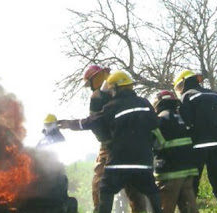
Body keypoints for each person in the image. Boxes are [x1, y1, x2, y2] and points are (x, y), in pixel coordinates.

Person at [59, 70, 162, 213]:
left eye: (112, 90)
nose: (111, 93)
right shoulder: (145, 103)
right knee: (151, 193)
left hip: (119, 162)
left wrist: (69, 124)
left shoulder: (113, 105)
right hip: (143, 163)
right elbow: (155, 124)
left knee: (105, 190)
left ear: (116, 88)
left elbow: (93, 122)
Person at [82, 65, 147, 213]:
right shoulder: (124, 91)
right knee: (134, 185)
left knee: (100, 183)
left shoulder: (96, 96)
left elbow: (95, 125)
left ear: (95, 79)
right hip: (133, 147)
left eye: (89, 83)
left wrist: (105, 141)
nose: (90, 88)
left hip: (109, 147)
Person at [173, 70, 217, 213]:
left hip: (198, 145)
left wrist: (194, 131)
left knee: (193, 182)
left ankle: (191, 210)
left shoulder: (186, 97)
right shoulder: (215, 95)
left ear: (183, 83)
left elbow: (185, 121)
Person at [152, 90, 199, 213]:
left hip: (169, 172)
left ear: (158, 103)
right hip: (188, 170)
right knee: (189, 208)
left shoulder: (159, 120)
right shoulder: (183, 118)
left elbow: (153, 144)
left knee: (164, 208)